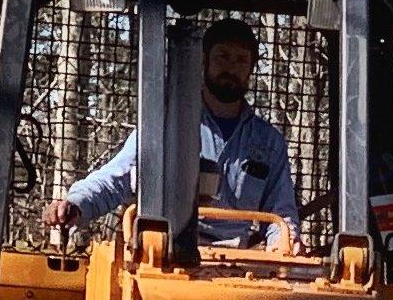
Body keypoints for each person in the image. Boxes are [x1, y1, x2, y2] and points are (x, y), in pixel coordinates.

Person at [45, 18, 301, 247]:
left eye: (241, 60)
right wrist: (77, 204)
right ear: (204, 60)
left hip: (237, 263)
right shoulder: (166, 126)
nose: (231, 68)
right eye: (223, 56)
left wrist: (285, 243)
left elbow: (281, 211)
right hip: (166, 251)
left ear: (251, 68)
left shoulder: (268, 142)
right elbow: (117, 177)